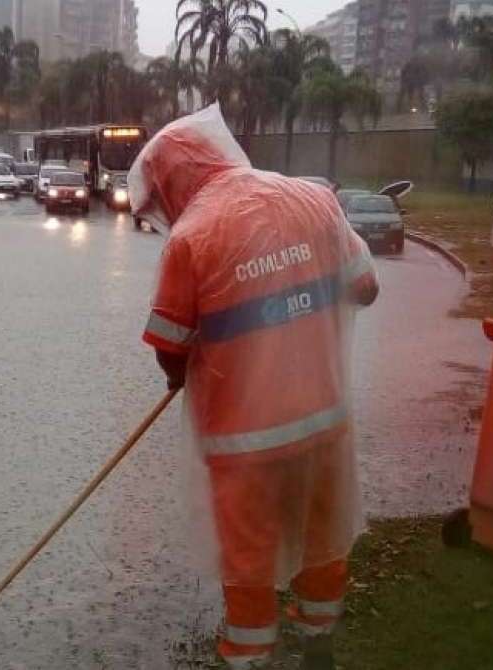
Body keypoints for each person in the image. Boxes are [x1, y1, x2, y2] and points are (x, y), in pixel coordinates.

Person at [128, 104, 378, 670]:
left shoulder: (191, 238)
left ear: (170, 184)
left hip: (244, 444)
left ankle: (248, 655)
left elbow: (171, 346)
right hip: (324, 419)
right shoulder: (315, 200)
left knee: (248, 556)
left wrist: (180, 376)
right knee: (322, 537)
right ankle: (319, 643)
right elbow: (365, 289)